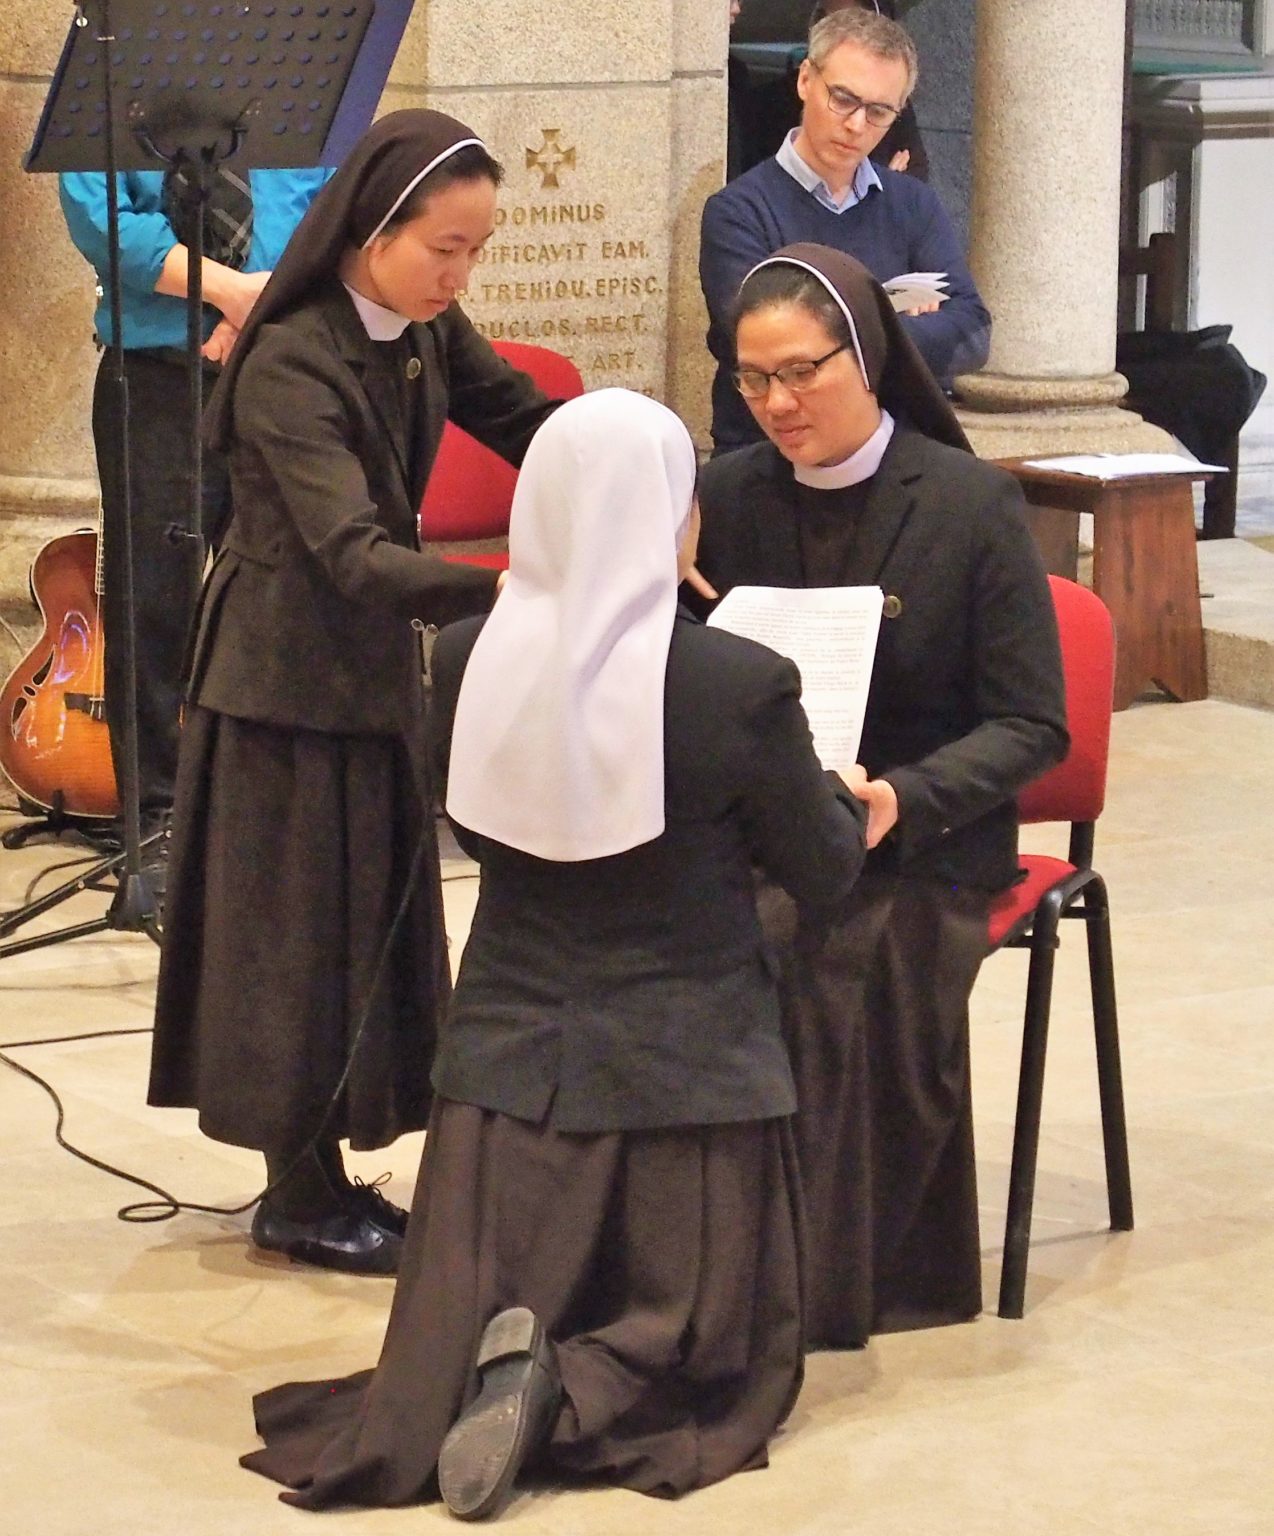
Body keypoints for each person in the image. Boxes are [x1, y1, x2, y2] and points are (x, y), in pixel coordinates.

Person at [237, 389, 869, 1516]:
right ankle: (580, 1384)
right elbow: (822, 871)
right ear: (666, 517)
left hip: (505, 1080)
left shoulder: (460, 657)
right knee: (715, 1361)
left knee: (482, 1295)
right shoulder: (738, 683)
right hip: (687, 1079)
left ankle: (503, 1357)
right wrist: (843, 797)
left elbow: (479, 823)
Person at [148, 110, 562, 1276]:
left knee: (357, 927)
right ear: (373, 231)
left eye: (476, 249)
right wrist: (514, 586)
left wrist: (641, 464)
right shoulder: (292, 361)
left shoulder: (422, 324)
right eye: (443, 247)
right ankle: (295, 1194)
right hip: (281, 681)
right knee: (292, 941)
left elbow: (525, 417)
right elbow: (352, 554)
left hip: (364, 670)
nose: (458, 273)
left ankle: (325, 1174)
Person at [695, 243, 1067, 1348]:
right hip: (765, 824)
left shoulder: (969, 503)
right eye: (752, 379)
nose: (776, 404)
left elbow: (1031, 723)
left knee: (820, 961)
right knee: (663, 939)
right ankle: (690, 1259)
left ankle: (816, 1281)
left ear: (864, 358)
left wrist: (902, 797)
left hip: (920, 837)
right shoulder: (722, 496)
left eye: (799, 373)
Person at [58, 162, 332, 877]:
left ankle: (273, 811)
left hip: (279, 369)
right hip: (157, 372)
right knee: (153, 604)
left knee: (285, 597)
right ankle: (158, 821)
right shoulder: (111, 93)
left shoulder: (294, 95)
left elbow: (332, 210)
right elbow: (101, 218)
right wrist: (229, 292)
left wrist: (258, 312)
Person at [701, 5, 989, 453]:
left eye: (879, 111)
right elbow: (761, 344)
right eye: (843, 99)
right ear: (805, 80)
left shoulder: (914, 203)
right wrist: (893, 321)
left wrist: (833, 337)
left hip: (895, 455)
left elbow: (973, 333)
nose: (856, 125)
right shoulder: (738, 212)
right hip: (770, 458)